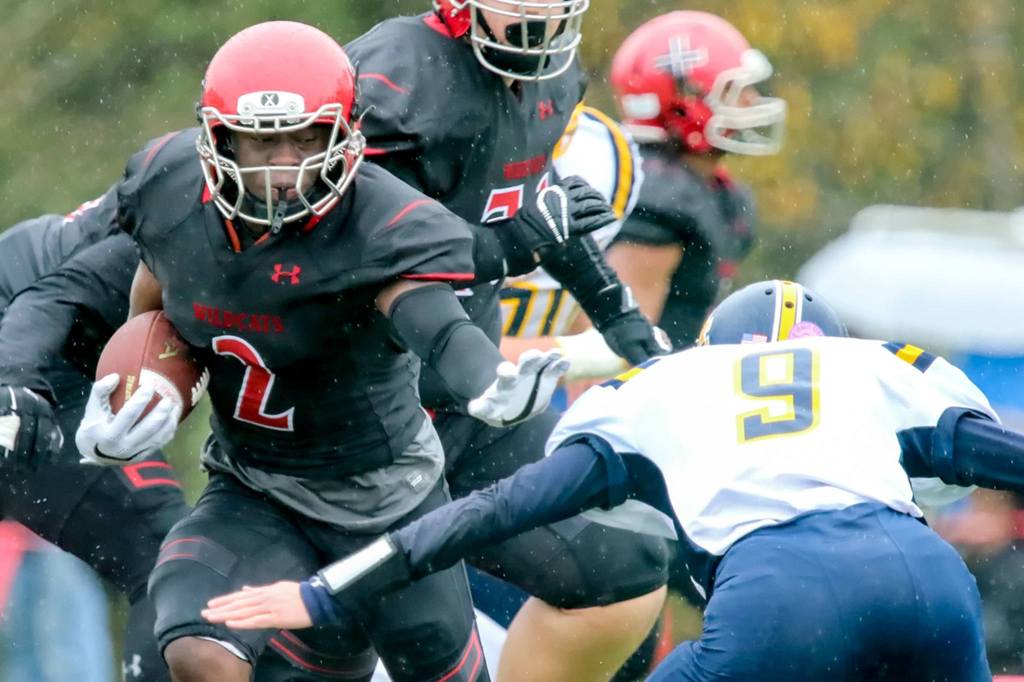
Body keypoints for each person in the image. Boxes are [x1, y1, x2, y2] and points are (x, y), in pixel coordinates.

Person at [75, 21, 570, 682]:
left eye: (304, 137)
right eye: (261, 141)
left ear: (345, 135)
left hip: (386, 501)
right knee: (196, 645)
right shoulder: (169, 190)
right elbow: (157, 311)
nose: (284, 163)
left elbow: (437, 325)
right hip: (254, 488)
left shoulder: (381, 222)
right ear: (217, 138)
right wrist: (136, 403)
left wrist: (488, 381)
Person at [208, 279, 1018, 682]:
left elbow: (493, 510)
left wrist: (328, 589)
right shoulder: (875, 365)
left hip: (780, 593)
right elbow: (1003, 457)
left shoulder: (668, 387)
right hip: (926, 581)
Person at [346, 3, 673, 679]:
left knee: (626, 571)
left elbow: (526, 194)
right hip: (359, 426)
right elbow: (371, 251)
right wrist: (517, 242)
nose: (541, 19)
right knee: (412, 642)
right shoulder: (397, 79)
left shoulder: (551, 79)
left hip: (470, 413)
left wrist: (615, 312)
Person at [0, 201, 189, 682]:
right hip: (32, 355)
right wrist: (17, 380)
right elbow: (46, 302)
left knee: (175, 566)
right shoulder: (196, 227)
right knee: (168, 565)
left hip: (52, 359)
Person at [606, 11, 787, 349]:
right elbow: (618, 346)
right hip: (645, 390)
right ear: (682, 102)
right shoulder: (660, 196)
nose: (751, 100)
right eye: (735, 90)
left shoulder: (716, 192)